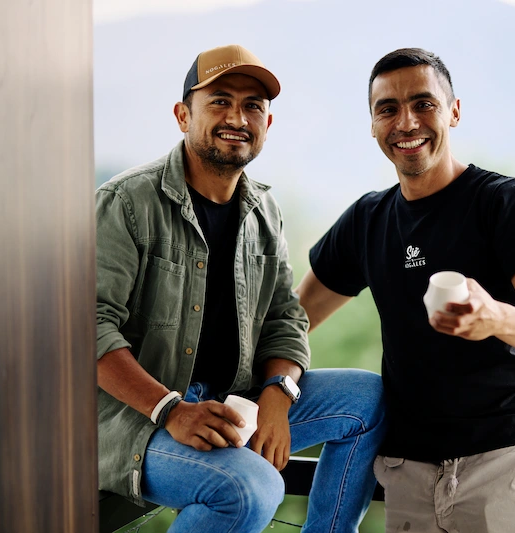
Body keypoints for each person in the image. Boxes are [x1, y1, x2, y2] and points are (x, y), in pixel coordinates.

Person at [95, 44, 385, 533]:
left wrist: (279, 389)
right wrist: (171, 409)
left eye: (253, 105)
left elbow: (285, 318)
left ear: (267, 125)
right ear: (183, 114)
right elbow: (89, 326)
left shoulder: (263, 211)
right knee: (250, 488)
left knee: (367, 399)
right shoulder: (126, 202)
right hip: (136, 419)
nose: (238, 116)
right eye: (220, 101)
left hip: (233, 402)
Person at [295, 48, 515, 533]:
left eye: (423, 104)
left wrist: (495, 317)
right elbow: (292, 319)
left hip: (505, 464)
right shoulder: (368, 220)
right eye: (388, 108)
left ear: (454, 111)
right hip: (410, 474)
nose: (406, 122)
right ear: (372, 124)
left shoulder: (501, 201)